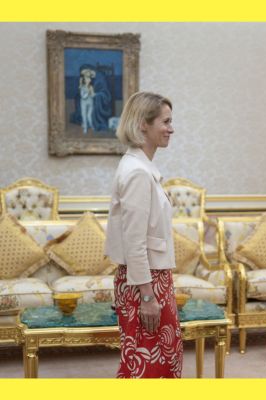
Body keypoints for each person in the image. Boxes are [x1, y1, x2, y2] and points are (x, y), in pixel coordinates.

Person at [104, 91, 182, 378]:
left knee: (159, 360)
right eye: (166, 121)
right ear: (143, 124)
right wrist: (148, 297)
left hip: (149, 278)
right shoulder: (137, 172)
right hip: (145, 282)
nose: (171, 128)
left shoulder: (141, 166)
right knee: (149, 365)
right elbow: (134, 241)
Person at [79, 68, 95, 134]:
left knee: (89, 116)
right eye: (87, 78)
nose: (88, 79)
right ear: (84, 79)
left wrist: (92, 93)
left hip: (90, 102)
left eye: (89, 78)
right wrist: (88, 92)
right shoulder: (82, 86)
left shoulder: (91, 87)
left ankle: (91, 125)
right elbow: (83, 96)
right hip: (83, 102)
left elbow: (93, 96)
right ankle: (85, 127)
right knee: (83, 115)